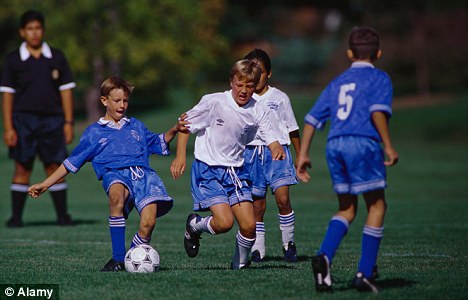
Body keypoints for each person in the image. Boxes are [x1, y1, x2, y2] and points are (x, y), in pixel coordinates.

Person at [29, 76, 188, 272]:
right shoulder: (94, 133)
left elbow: (158, 142)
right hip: (115, 174)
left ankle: (130, 259)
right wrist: (45, 184)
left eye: (126, 101)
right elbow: (70, 163)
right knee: (115, 196)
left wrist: (174, 129)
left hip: (144, 177)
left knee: (148, 223)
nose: (122, 105)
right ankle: (118, 259)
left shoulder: (135, 126)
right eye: (117, 100)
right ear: (105, 101)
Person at [296, 27, 399, 293]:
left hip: (335, 144)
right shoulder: (380, 78)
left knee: (347, 208)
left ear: (350, 53)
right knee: (376, 206)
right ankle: (364, 273)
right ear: (378, 53)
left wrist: (303, 154)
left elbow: (311, 119)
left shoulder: (338, 81)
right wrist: (388, 145)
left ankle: (325, 257)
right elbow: (377, 112)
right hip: (362, 142)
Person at [170, 59, 286, 270]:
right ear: (231, 81)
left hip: (236, 172)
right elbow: (185, 125)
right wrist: (179, 157)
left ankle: (239, 265)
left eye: (249, 86)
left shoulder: (257, 109)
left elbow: (270, 133)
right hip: (208, 170)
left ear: (255, 86)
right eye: (239, 84)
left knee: (250, 226)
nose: (243, 90)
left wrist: (275, 146)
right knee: (224, 223)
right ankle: (195, 226)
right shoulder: (214, 102)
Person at [1, 10, 76, 227]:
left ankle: (63, 216)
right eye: (30, 29)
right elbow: (7, 94)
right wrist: (8, 127)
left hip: (53, 121)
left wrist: (68, 123)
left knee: (55, 166)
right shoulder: (14, 60)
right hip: (23, 121)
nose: (34, 33)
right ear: (22, 32)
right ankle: (16, 218)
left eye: (38, 28)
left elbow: (66, 91)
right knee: (22, 167)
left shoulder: (56, 57)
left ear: (43, 30)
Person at [243, 49, 301, 263]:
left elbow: (293, 129)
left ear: (269, 73)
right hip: (251, 155)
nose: (256, 76)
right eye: (252, 71)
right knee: (257, 206)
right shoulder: (243, 98)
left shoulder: (280, 98)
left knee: (283, 199)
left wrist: (300, 155)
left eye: (261, 71)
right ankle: (258, 249)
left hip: (278, 154)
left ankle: (289, 244)